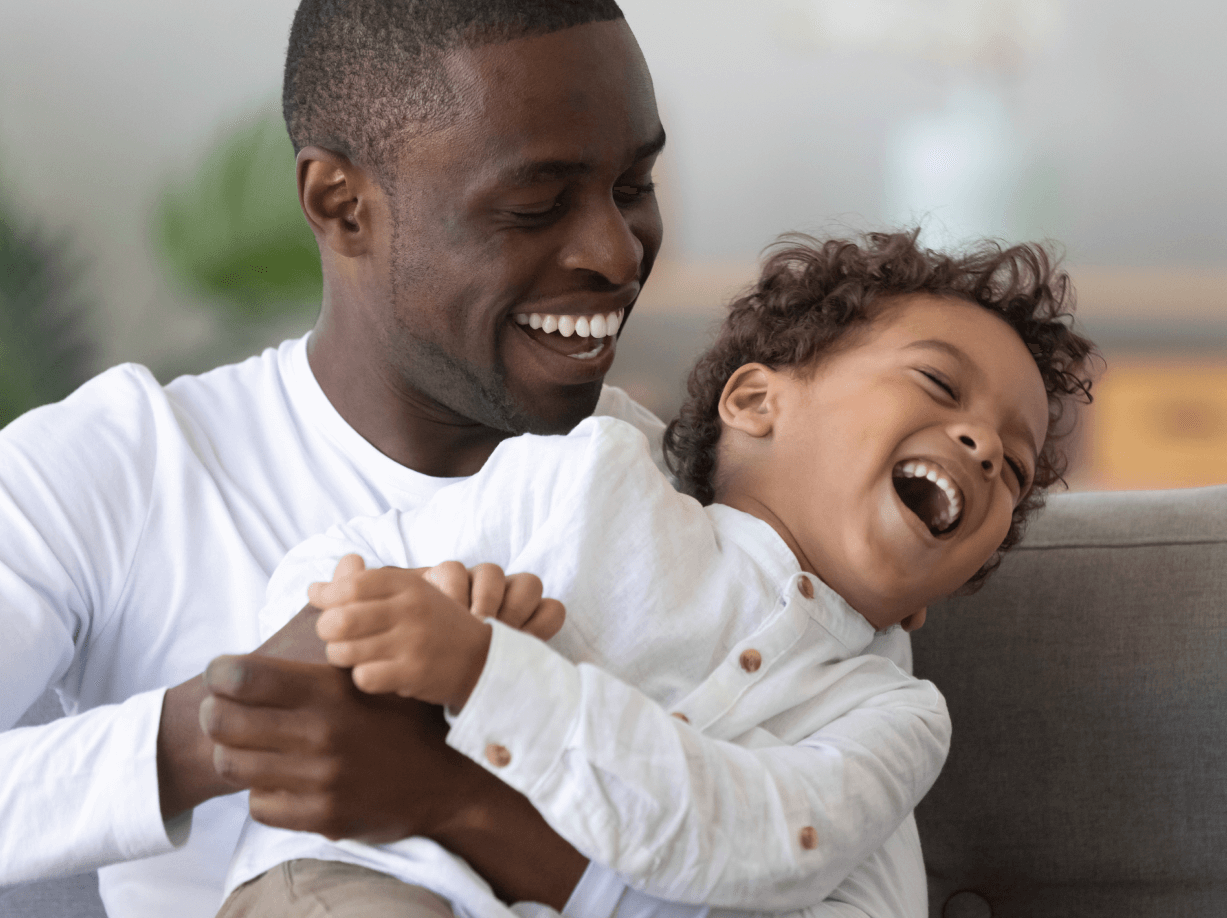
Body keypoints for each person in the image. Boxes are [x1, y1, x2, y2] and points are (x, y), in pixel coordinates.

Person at [0, 3, 950, 917]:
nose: (617, 253)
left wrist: (458, 802)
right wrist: (224, 727)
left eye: (634, 188)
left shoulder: (747, 520)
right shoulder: (125, 464)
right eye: (536, 204)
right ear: (342, 205)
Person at [211, 230, 1096, 918]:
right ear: (755, 401)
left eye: (1015, 471)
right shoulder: (590, 473)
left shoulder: (894, 718)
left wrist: (489, 676)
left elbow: (760, 837)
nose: (984, 449)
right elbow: (322, 574)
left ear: (929, 605)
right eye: (939, 385)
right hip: (367, 880)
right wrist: (415, 607)